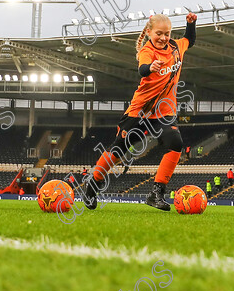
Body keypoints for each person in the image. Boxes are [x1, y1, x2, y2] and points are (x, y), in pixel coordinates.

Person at [82, 13, 197, 211]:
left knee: (176, 144)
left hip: (163, 113)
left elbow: (189, 40)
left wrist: (190, 24)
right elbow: (142, 69)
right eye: (158, 33)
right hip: (141, 111)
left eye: (166, 34)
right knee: (118, 150)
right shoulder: (147, 50)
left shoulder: (176, 47)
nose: (162, 38)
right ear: (149, 32)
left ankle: (156, 192)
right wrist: (150, 67)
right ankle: (93, 184)